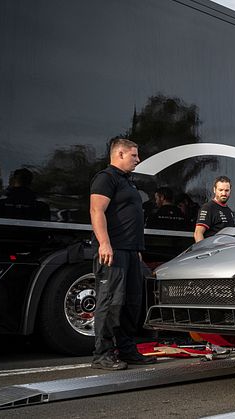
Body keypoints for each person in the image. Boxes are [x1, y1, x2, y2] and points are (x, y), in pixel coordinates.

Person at [89, 137, 156, 370]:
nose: (138, 159)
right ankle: (102, 354)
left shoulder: (127, 182)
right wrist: (104, 243)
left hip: (131, 252)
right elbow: (97, 211)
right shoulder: (106, 178)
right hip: (113, 251)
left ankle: (127, 350)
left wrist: (136, 251)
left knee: (132, 304)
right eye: (134, 155)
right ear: (119, 154)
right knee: (110, 302)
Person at [194, 176, 235, 242]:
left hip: (227, 250)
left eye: (226, 190)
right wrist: (204, 251)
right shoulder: (208, 208)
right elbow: (198, 233)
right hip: (213, 250)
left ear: (230, 191)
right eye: (220, 190)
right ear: (214, 190)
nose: (224, 193)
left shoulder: (229, 211)